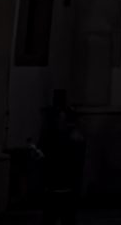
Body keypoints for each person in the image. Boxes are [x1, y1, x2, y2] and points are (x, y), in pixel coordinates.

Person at [34, 92, 86, 223]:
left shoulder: (57, 129)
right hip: (59, 182)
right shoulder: (63, 130)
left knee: (58, 215)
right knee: (58, 215)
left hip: (61, 182)